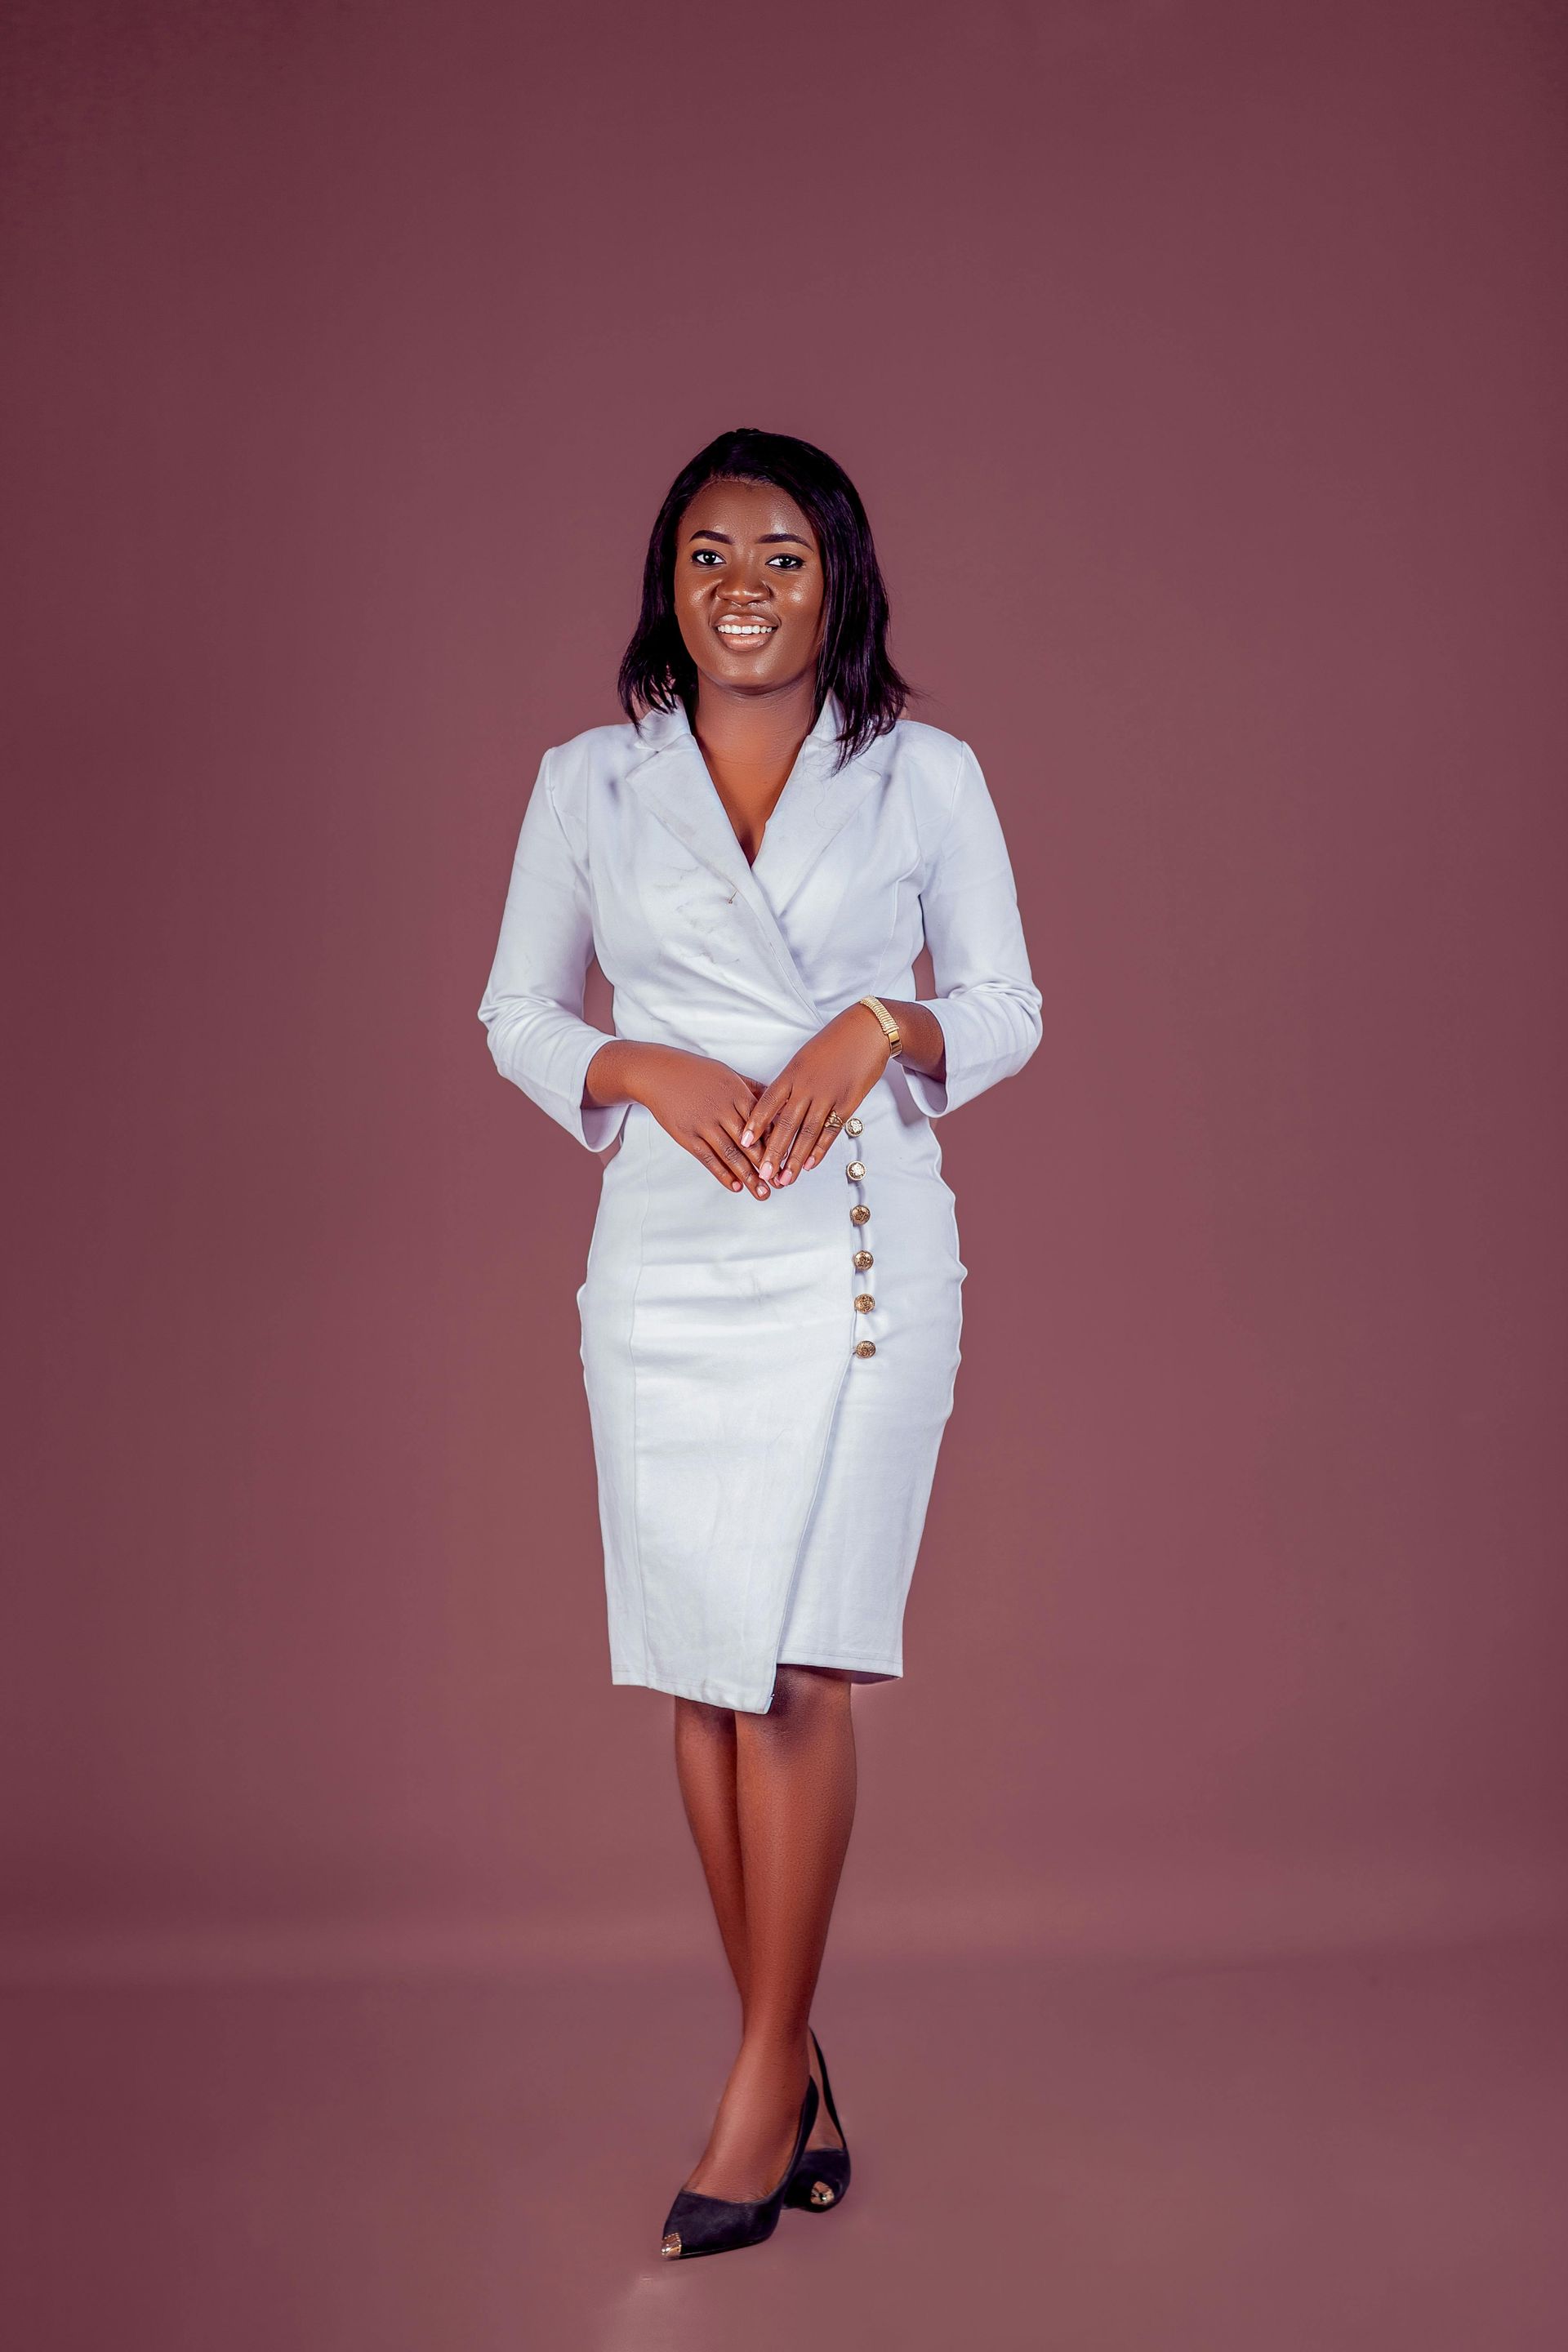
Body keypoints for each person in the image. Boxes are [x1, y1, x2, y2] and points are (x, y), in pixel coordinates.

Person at [477, 427, 1041, 2258]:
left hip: (866, 1249)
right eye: (710, 550)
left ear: (841, 582)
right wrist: (634, 1060)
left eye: (784, 555)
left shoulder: (924, 775)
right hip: (665, 1256)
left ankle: (755, 2079)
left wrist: (879, 1025)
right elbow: (514, 1014)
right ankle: (790, 2067)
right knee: (710, 1675)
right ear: (669, 579)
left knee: (802, 1662)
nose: (743, 582)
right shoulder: (589, 781)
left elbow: (1012, 1006)